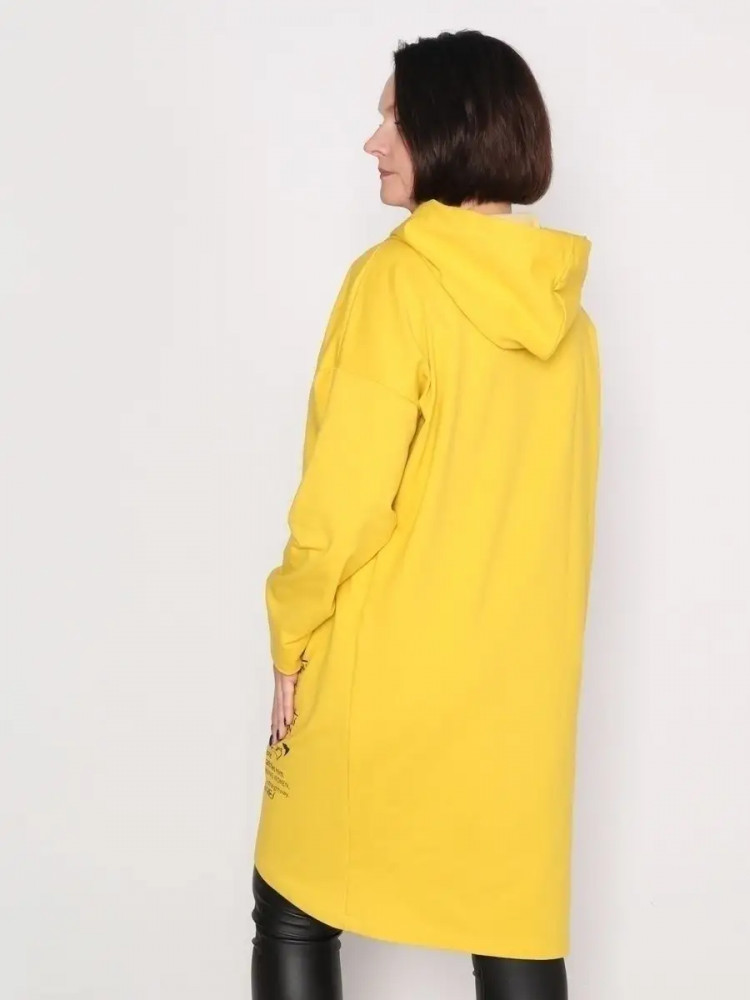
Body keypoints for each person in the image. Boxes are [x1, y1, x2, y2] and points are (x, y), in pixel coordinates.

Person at [251, 28, 600, 1000]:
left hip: (382, 678)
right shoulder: (572, 322)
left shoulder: (395, 281)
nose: (373, 141)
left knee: (293, 899)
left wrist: (290, 637)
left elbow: (342, 503)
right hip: (517, 703)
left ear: (449, 127)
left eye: (393, 119)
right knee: (514, 927)